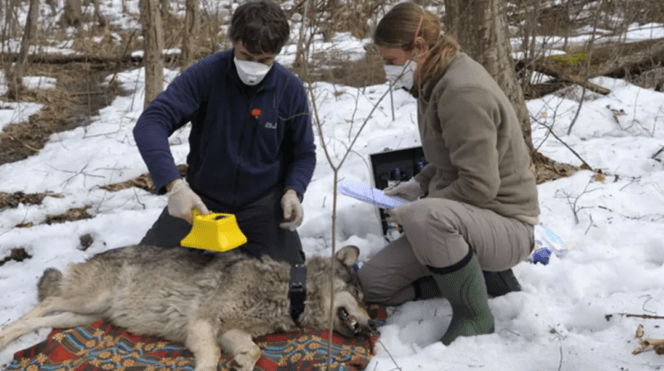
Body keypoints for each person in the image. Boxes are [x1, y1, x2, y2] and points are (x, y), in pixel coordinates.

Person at [358, 2, 539, 345]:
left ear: (419, 48)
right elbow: (451, 162)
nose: (387, 69)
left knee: (426, 218)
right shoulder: (431, 80)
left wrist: (419, 210)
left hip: (505, 222)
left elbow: (479, 185)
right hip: (465, 219)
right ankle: (484, 280)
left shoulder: (461, 91)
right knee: (373, 284)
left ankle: (474, 314)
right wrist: (418, 184)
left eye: (391, 60)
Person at [133, 0, 316, 266]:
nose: (254, 66)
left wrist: (293, 191)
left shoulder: (290, 89)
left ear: (277, 53)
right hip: (202, 204)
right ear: (234, 42)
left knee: (289, 283)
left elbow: (304, 153)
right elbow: (151, 122)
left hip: (262, 206)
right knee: (142, 270)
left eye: (264, 60)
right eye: (245, 56)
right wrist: (174, 186)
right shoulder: (207, 75)